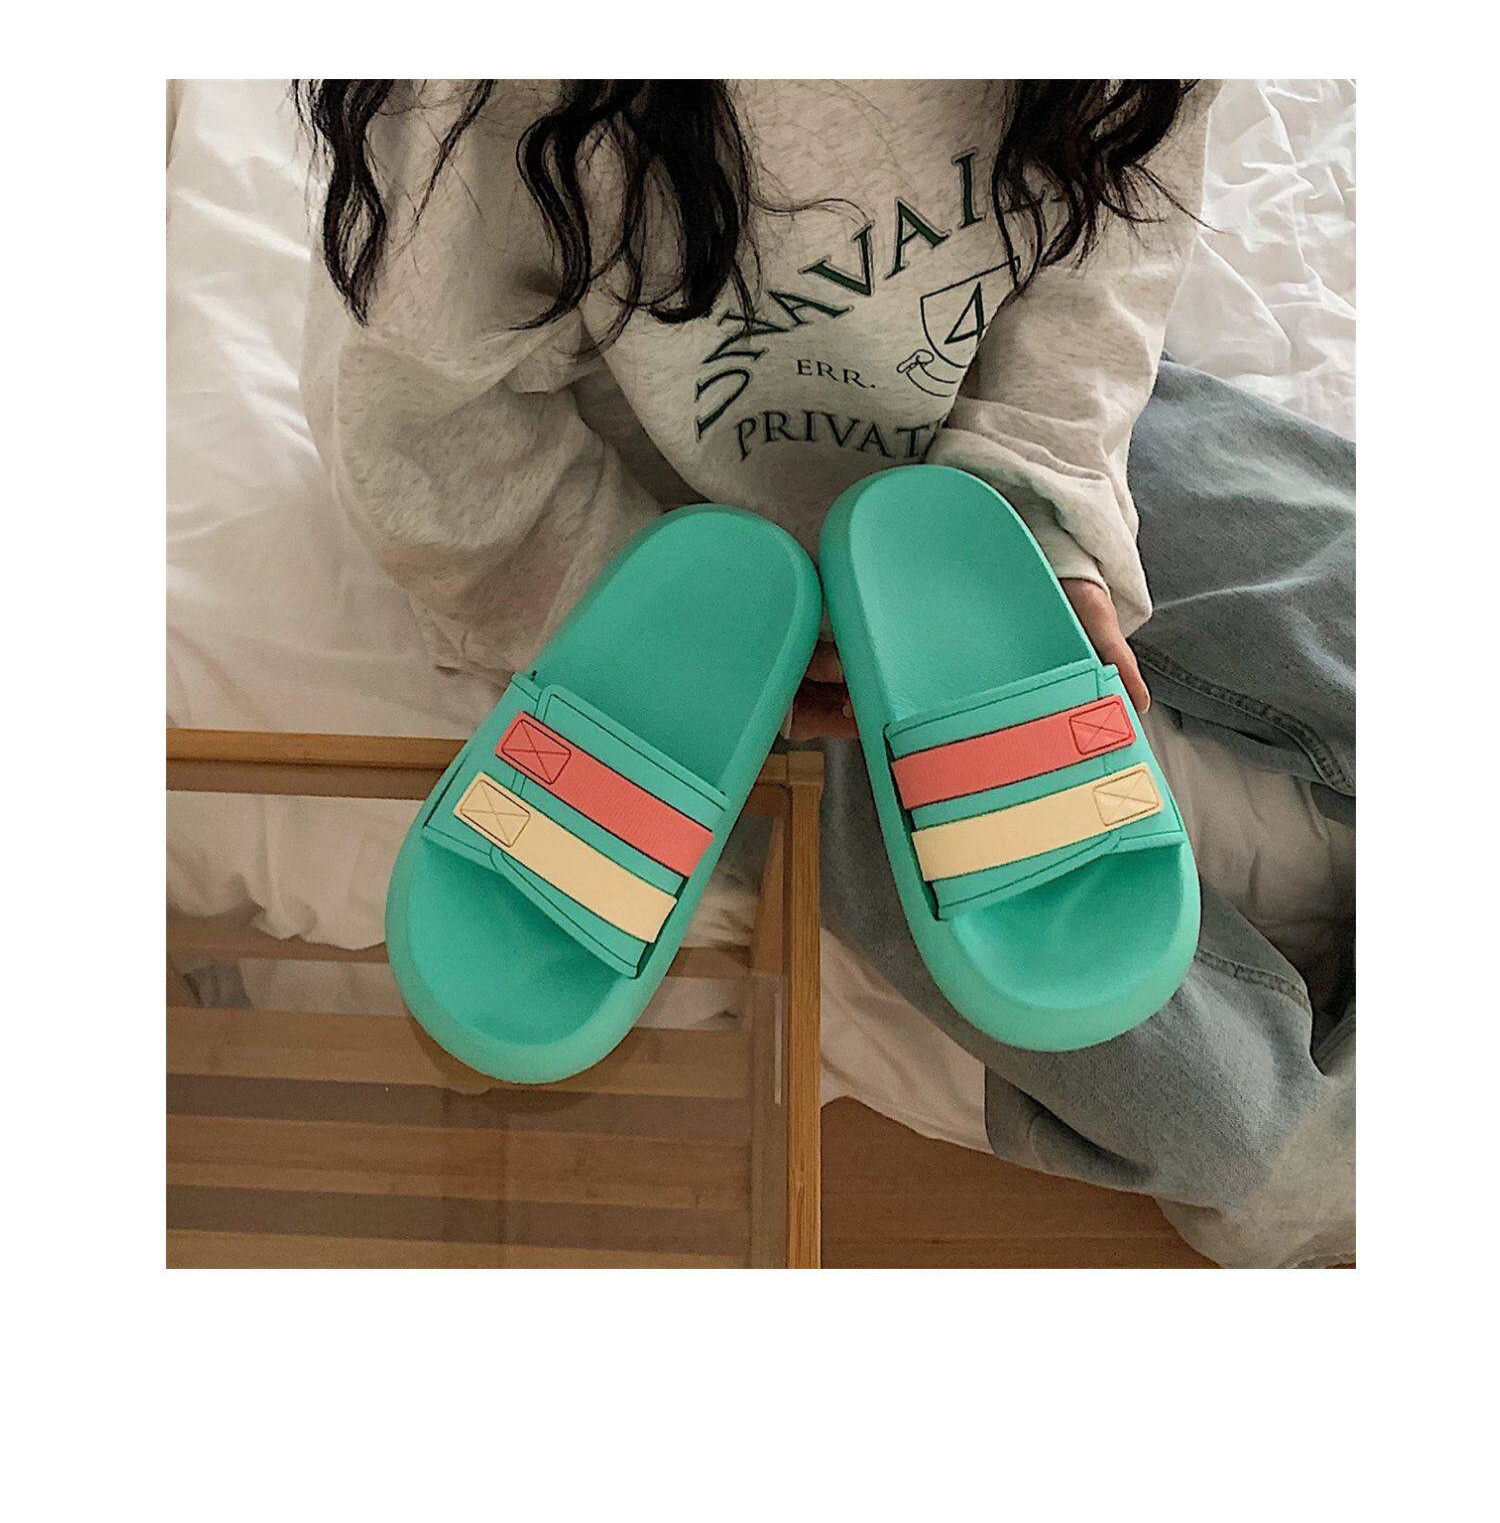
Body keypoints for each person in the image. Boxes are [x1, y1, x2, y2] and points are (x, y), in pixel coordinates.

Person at [297, 79, 1354, 1266]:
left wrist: (1045, 504)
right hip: (690, 550)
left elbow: (1109, 226)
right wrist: (630, 601)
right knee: (1245, 1134)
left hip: (1003, 412)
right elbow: (414, 423)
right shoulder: (486, 88)